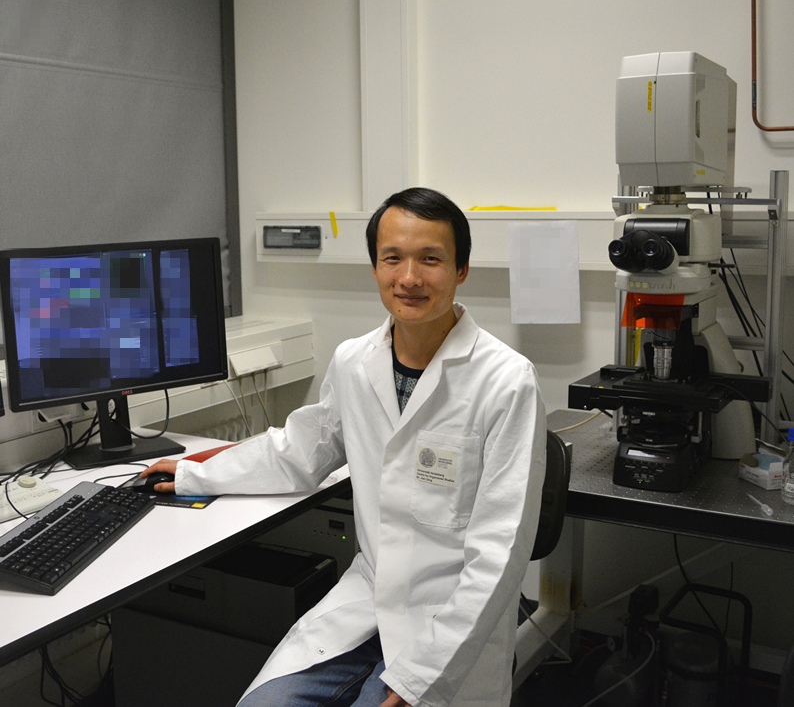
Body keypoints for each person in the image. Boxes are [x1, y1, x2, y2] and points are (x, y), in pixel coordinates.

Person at [141, 187, 547, 707]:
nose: (409, 278)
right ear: (375, 267)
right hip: (368, 599)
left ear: (461, 269)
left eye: (430, 259)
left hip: (450, 623)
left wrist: (420, 677)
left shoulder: (506, 381)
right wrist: (194, 473)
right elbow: (297, 452)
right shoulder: (355, 362)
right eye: (392, 258)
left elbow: (500, 552)